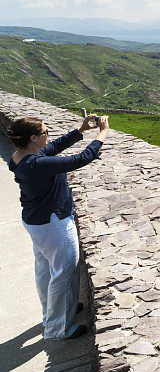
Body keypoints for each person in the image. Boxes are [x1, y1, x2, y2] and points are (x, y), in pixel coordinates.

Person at [6, 114, 109, 340]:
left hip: (36, 221)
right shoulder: (36, 164)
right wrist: (102, 132)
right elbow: (81, 159)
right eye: (45, 131)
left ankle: (57, 313)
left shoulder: (19, 156)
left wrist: (80, 131)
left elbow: (53, 147)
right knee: (63, 271)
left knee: (45, 270)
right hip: (53, 223)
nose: (48, 135)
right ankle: (57, 329)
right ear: (33, 137)